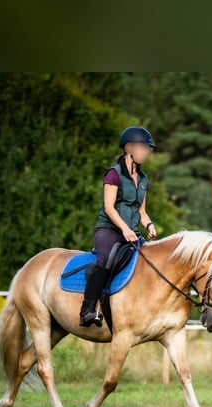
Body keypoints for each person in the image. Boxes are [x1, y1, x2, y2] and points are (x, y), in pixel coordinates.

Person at [80, 126, 158, 327]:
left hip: (132, 232)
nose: (146, 153)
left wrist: (149, 224)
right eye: (143, 148)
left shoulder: (143, 179)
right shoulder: (114, 174)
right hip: (109, 230)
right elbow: (109, 207)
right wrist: (124, 228)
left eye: (147, 149)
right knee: (105, 260)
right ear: (130, 148)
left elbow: (141, 211)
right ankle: (87, 309)